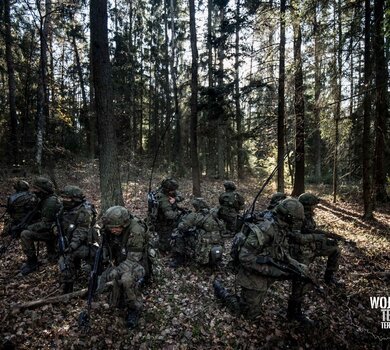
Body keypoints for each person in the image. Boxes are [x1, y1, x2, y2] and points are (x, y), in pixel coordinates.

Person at [214, 198, 310, 321]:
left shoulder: (281, 226)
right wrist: (275, 271)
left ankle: (294, 312)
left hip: (268, 265)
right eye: (296, 219)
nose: (297, 223)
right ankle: (222, 292)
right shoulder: (265, 229)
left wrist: (295, 264)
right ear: (288, 216)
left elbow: (281, 249)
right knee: (248, 315)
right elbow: (245, 258)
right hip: (252, 274)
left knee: (302, 275)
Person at [97, 206, 151, 329]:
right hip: (120, 261)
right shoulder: (109, 229)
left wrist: (117, 270)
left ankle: (134, 308)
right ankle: (116, 299)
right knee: (105, 277)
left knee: (127, 279)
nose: (113, 231)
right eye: (110, 228)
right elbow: (106, 245)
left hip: (138, 263)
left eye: (115, 228)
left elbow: (133, 259)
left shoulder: (136, 230)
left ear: (124, 224)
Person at [57, 185, 97, 294]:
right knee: (63, 258)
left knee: (66, 258)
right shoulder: (65, 208)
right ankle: (70, 277)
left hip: (88, 244)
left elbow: (82, 231)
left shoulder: (85, 211)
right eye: (63, 198)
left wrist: (72, 245)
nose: (64, 200)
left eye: (67, 198)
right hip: (71, 241)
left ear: (75, 199)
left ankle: (69, 286)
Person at [20, 177, 62, 275]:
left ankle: (32, 262)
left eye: (36, 189)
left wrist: (28, 227)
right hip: (50, 230)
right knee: (52, 257)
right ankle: (52, 255)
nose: (34, 191)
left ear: (42, 190)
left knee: (25, 234)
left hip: (53, 232)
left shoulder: (50, 202)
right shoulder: (45, 199)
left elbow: (46, 224)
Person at [170, 198, 226, 268]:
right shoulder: (214, 214)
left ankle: (179, 259)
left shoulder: (196, 215)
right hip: (218, 242)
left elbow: (182, 227)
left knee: (178, 234)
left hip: (204, 243)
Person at [154, 178, 185, 252]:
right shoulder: (163, 199)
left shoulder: (167, 191)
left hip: (165, 221)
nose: (174, 191)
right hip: (163, 223)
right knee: (166, 246)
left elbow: (181, 196)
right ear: (167, 190)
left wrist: (175, 199)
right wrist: (179, 214)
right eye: (173, 190)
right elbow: (170, 216)